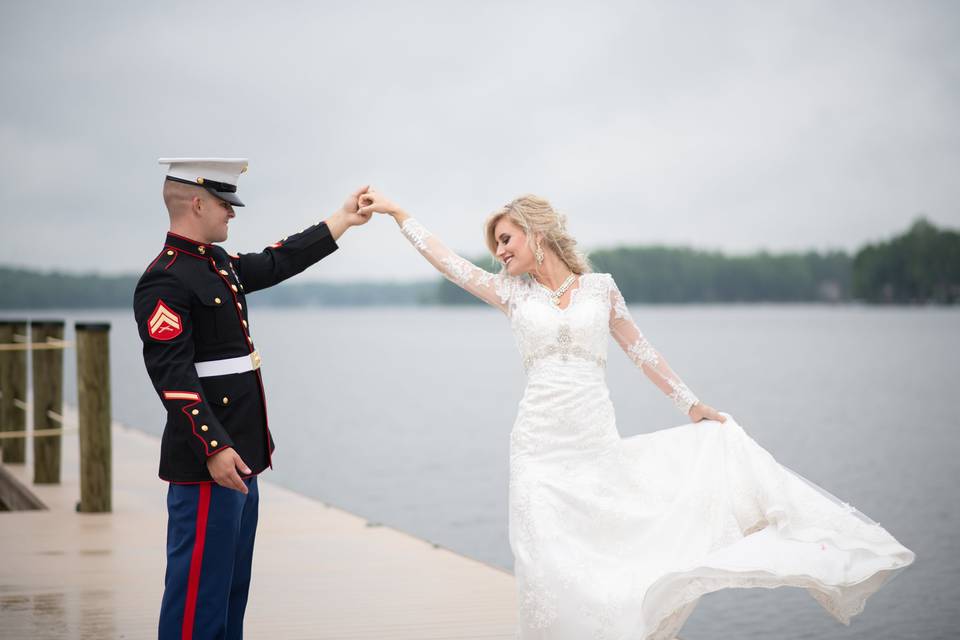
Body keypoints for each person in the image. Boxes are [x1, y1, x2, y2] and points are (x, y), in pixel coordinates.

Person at [357, 191, 915, 640]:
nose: (498, 251)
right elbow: (450, 265)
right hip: (536, 448)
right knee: (546, 564)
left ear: (536, 233)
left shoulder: (601, 290)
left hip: (593, 438)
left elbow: (642, 350)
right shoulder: (510, 293)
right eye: (496, 244)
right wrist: (400, 215)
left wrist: (691, 404)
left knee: (609, 552)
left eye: (505, 239)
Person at [133, 158, 371, 640]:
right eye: (225, 204)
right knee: (196, 592)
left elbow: (278, 259)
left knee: (228, 591)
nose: (232, 214)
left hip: (242, 457)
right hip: (209, 461)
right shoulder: (166, 279)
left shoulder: (217, 265)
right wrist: (214, 448)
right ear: (197, 203)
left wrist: (342, 219)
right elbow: (173, 379)